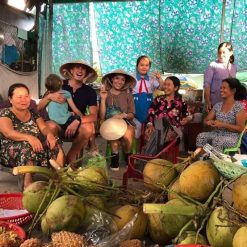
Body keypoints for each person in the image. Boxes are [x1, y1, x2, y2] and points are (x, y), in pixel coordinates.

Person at [0, 83, 65, 188]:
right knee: (27, 146)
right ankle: (28, 184)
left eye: (26, 96)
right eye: (19, 97)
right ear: (10, 99)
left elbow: (44, 128)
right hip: (10, 150)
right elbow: (8, 133)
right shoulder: (5, 113)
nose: (24, 100)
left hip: (35, 145)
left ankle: (58, 177)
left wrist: (49, 135)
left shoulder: (33, 113)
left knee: (54, 141)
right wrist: (29, 137)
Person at [37, 60, 98, 163]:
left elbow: (93, 116)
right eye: (77, 67)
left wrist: (78, 119)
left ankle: (71, 157)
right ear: (71, 70)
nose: (80, 70)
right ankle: (60, 157)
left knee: (88, 128)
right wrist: (49, 97)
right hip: (56, 125)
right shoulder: (58, 84)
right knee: (50, 126)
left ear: (86, 73)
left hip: (75, 125)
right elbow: (38, 108)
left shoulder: (90, 91)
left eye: (83, 69)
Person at [196, 78, 246, 153]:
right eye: (221, 88)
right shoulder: (218, 105)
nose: (221, 90)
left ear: (233, 90)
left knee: (217, 140)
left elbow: (240, 128)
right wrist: (209, 122)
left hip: (232, 137)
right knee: (201, 136)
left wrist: (223, 125)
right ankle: (201, 159)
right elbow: (206, 120)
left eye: (224, 88)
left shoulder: (239, 107)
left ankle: (216, 162)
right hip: (216, 133)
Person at [99, 69, 136, 171]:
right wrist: (102, 99)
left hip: (126, 122)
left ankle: (127, 155)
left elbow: (132, 114)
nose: (119, 81)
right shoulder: (105, 93)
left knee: (127, 135)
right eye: (117, 78)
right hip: (110, 124)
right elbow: (102, 117)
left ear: (125, 82)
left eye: (122, 79)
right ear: (112, 79)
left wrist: (123, 115)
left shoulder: (128, 95)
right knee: (114, 136)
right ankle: (115, 158)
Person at [144, 76, 191, 154]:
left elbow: (188, 115)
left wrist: (187, 119)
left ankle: (149, 156)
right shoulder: (158, 99)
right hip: (156, 127)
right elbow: (150, 112)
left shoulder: (181, 101)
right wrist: (150, 125)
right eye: (165, 84)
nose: (165, 87)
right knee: (152, 130)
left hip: (173, 129)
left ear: (175, 88)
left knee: (162, 124)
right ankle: (154, 156)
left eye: (168, 85)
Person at [132, 55, 163, 139]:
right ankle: (135, 151)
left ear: (149, 67)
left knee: (149, 133)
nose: (144, 67)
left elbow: (162, 88)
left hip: (149, 109)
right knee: (135, 133)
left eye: (147, 65)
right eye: (141, 65)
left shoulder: (152, 79)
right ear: (137, 65)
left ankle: (146, 151)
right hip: (135, 109)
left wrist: (159, 78)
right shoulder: (131, 78)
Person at [204, 42, 237, 113]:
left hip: (229, 104)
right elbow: (207, 85)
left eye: (224, 52)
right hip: (214, 103)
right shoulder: (213, 65)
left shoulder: (234, 67)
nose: (221, 55)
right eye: (219, 53)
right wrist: (207, 101)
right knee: (212, 123)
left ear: (231, 53)